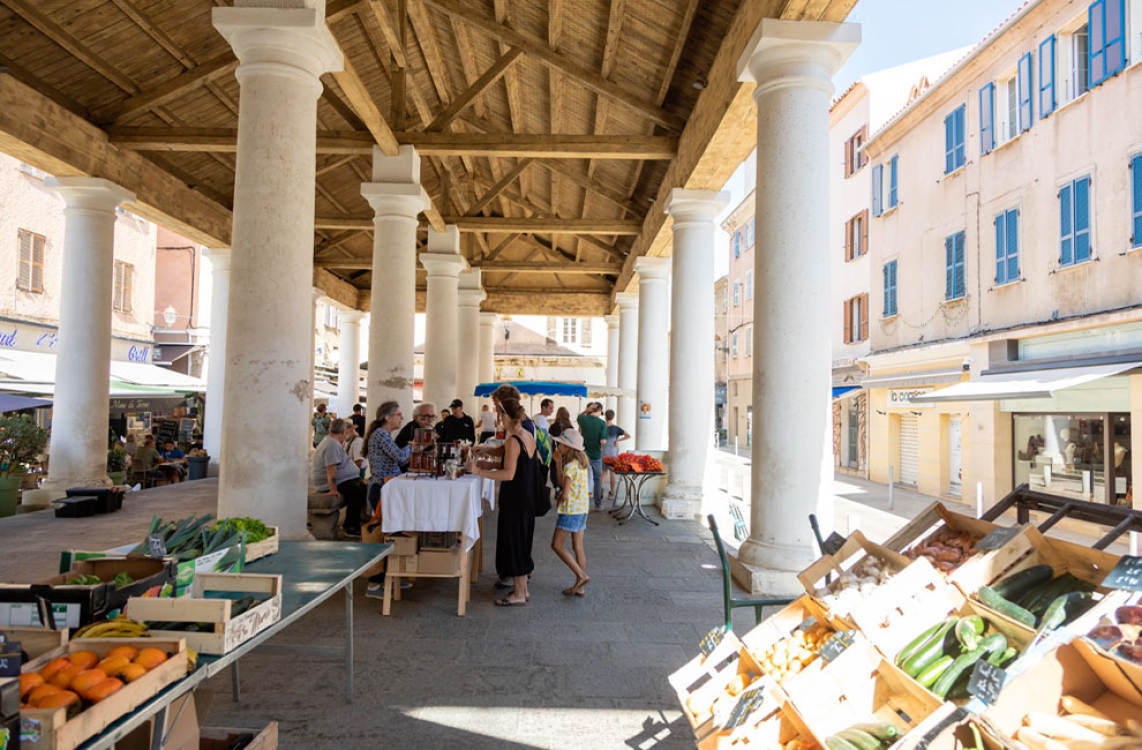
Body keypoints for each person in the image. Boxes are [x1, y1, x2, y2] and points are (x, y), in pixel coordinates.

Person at [467, 397, 537, 607]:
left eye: (499, 414)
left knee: (514, 543)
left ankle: (517, 592)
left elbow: (508, 474)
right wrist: (489, 464)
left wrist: (478, 470)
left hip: (515, 498)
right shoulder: (526, 435)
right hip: (527, 497)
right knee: (521, 544)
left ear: (504, 416)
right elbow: (518, 465)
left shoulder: (513, 440)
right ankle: (522, 590)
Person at [363, 402, 416, 599]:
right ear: (387, 417)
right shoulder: (381, 435)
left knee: (391, 532)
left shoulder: (383, 435)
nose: (401, 418)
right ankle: (374, 584)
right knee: (381, 535)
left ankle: (390, 576)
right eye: (398, 414)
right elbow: (400, 457)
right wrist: (415, 445)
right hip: (382, 489)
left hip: (387, 488)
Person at [310, 419, 367, 538]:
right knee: (358, 493)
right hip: (329, 482)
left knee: (362, 487)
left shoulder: (332, 442)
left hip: (343, 479)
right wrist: (333, 489)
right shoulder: (331, 444)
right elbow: (331, 468)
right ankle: (351, 527)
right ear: (342, 432)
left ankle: (350, 522)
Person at [551, 428, 590, 596]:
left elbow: (565, 492)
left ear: (568, 447)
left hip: (570, 511)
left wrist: (558, 501)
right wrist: (558, 463)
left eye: (560, 444)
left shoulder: (570, 466)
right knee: (578, 547)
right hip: (582, 510)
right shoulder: (581, 464)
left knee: (557, 545)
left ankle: (581, 576)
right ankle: (579, 587)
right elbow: (564, 481)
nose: (558, 446)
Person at [577, 402, 608, 511]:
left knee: (583, 479)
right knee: (597, 480)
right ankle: (597, 505)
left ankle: (581, 503)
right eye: (601, 412)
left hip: (584, 455)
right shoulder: (602, 423)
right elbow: (603, 441)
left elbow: (579, 416)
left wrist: (588, 409)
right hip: (596, 455)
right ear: (599, 410)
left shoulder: (583, 419)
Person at [601, 409, 630, 504]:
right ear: (613, 417)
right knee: (612, 473)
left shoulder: (602, 428)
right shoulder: (617, 429)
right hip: (613, 453)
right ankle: (612, 492)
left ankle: (601, 491)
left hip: (603, 452)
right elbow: (628, 436)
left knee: (603, 473)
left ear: (605, 416)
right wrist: (618, 441)